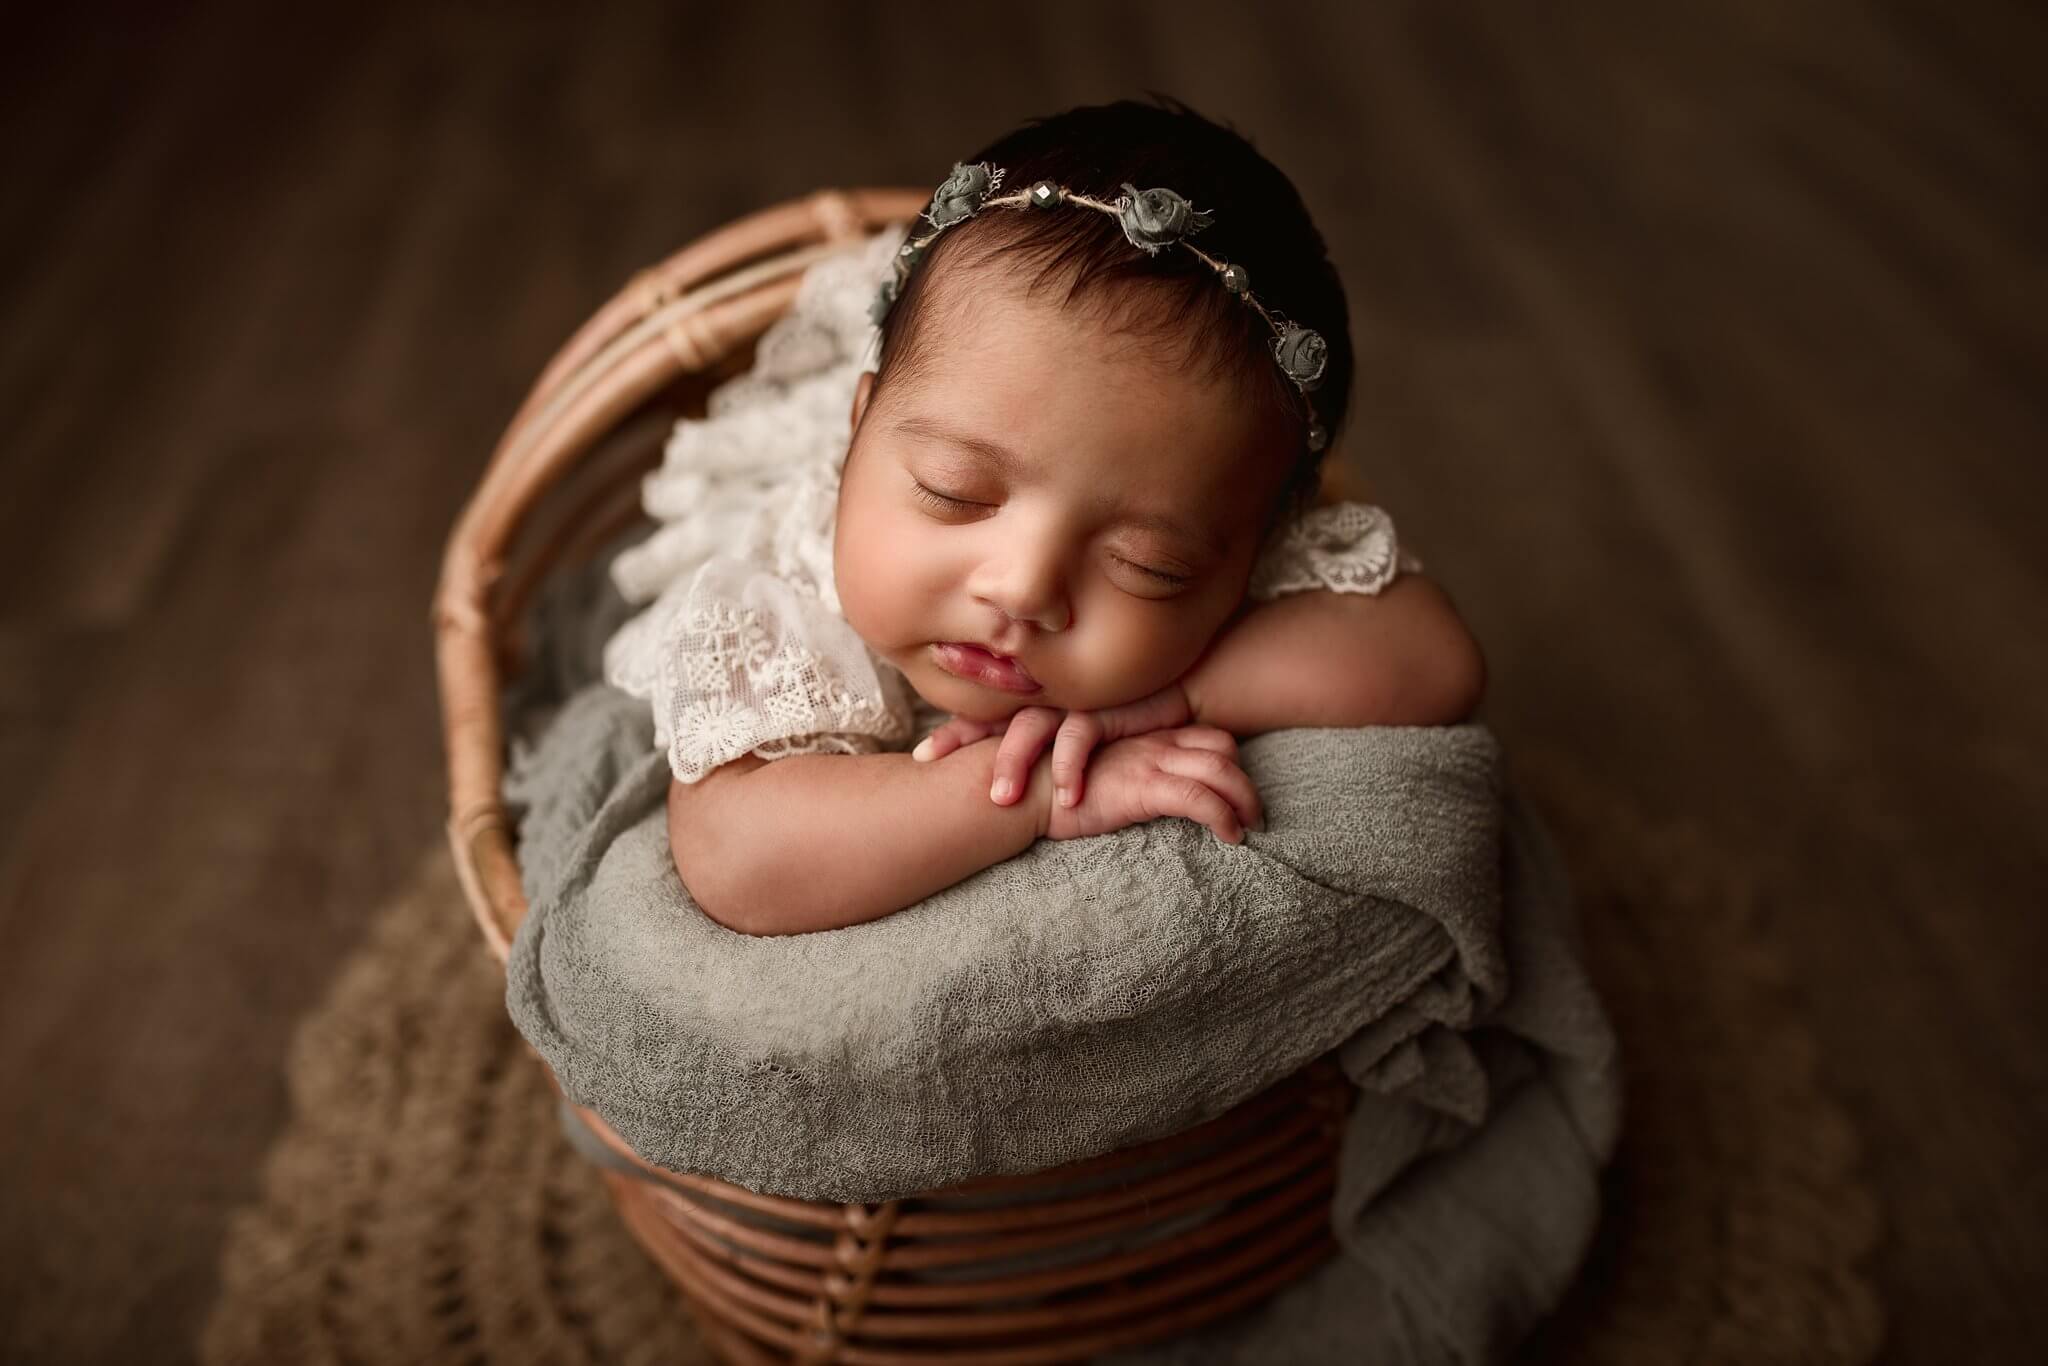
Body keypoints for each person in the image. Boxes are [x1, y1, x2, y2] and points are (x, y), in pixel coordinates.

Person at [606, 97, 1485, 936]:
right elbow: (737, 859)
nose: (1024, 586)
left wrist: (1176, 700)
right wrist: (1033, 792)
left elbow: (1435, 658)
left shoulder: (1212, 535)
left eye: (1146, 566)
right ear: (857, 430)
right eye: (956, 493)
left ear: (1242, 558)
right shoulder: (789, 582)